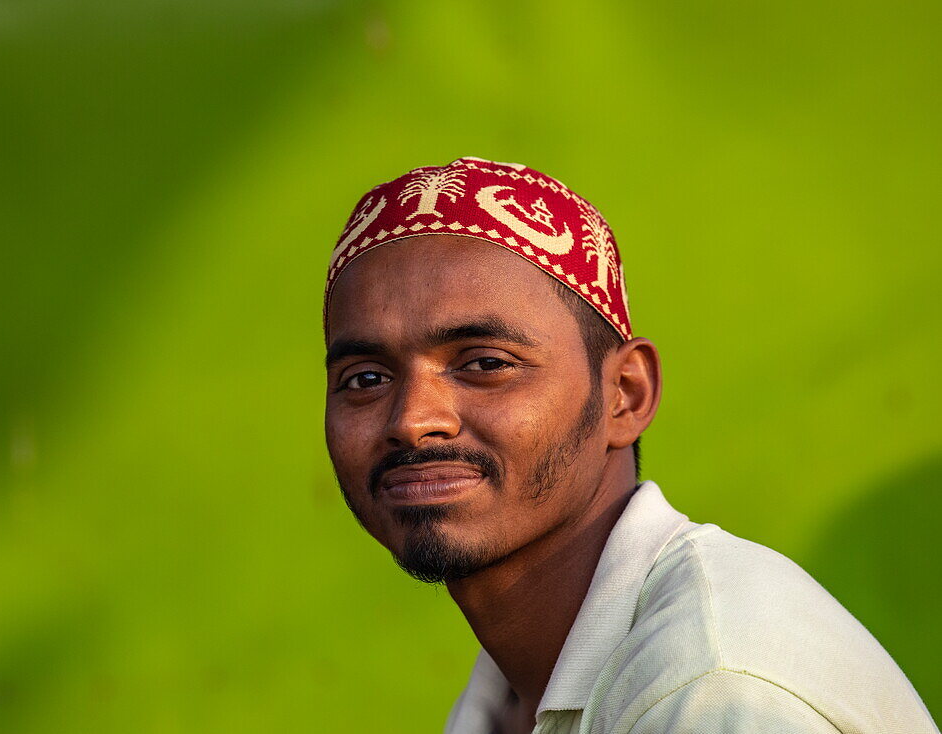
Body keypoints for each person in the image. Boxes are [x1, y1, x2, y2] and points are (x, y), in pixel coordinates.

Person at [322, 156, 937, 734]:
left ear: (625, 394)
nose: (412, 420)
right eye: (366, 379)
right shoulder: (507, 691)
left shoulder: (713, 687)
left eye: (484, 363)